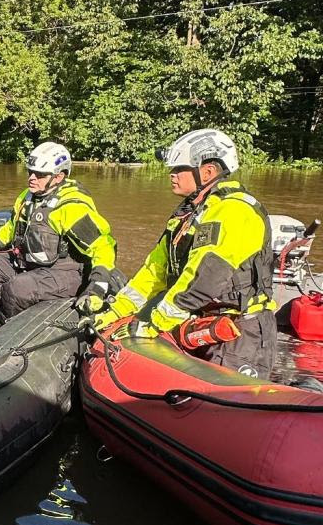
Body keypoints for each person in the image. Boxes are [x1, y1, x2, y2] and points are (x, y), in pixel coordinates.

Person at [93, 129, 277, 378]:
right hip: (198, 324)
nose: (172, 175)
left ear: (208, 171)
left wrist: (154, 323)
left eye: (179, 169)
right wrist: (116, 311)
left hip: (240, 333)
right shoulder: (187, 215)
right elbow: (154, 272)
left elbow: (204, 278)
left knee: (222, 407)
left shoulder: (235, 212)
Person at [0, 142, 120, 320]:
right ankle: (2, 312)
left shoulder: (72, 207)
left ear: (58, 177)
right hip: (31, 264)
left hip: (67, 272)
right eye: (30, 172)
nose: (32, 178)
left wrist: (97, 286)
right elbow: (12, 227)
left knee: (18, 288)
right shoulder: (27, 197)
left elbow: (104, 247)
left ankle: (9, 324)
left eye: (40, 174)